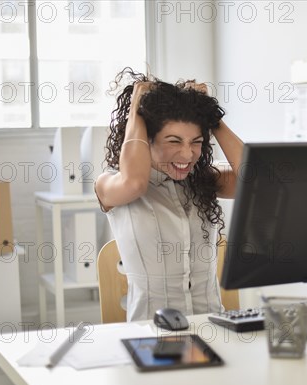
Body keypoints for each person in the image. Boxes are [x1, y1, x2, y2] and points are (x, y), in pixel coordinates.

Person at [95, 68, 243, 321]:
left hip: (213, 327)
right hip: (151, 334)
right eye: (174, 141)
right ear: (146, 140)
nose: (187, 155)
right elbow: (135, 183)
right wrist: (137, 110)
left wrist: (211, 116)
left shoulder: (204, 179)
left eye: (196, 142)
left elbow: (256, 180)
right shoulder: (110, 184)